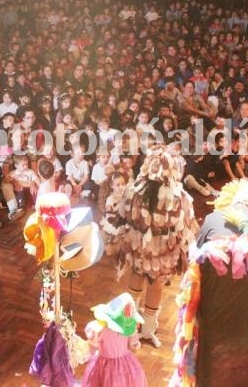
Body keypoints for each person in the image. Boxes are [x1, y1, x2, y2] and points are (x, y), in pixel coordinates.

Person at [117, 145, 198, 348]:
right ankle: (144, 330)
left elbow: (124, 215)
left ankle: (130, 328)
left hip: (141, 249)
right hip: (162, 253)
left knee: (137, 279)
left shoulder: (133, 189)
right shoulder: (179, 196)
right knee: (155, 285)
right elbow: (186, 227)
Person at [82, 293, 147, 387]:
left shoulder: (101, 329)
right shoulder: (127, 329)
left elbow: (93, 345)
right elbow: (134, 344)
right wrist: (136, 344)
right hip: (123, 363)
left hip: (103, 364)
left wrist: (87, 355)